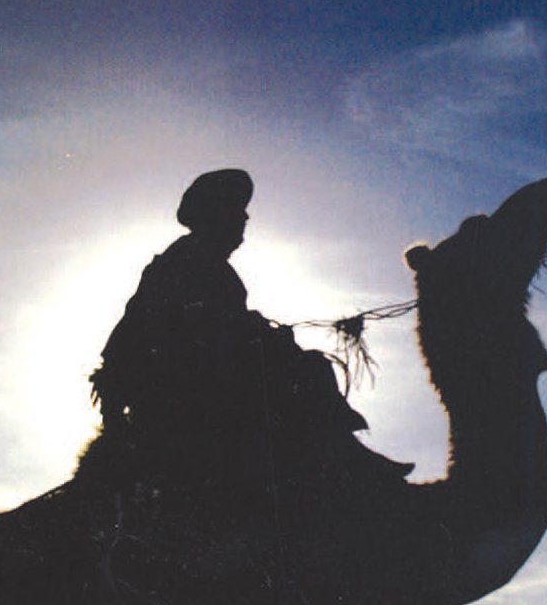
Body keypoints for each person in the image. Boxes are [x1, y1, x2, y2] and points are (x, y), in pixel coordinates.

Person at [89, 169, 375, 478]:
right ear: (215, 217)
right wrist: (254, 332)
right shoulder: (180, 263)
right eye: (236, 213)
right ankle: (340, 456)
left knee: (308, 366)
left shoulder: (214, 270)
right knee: (310, 369)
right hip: (185, 387)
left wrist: (259, 331)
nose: (244, 220)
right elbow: (156, 333)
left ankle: (339, 451)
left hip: (203, 378)